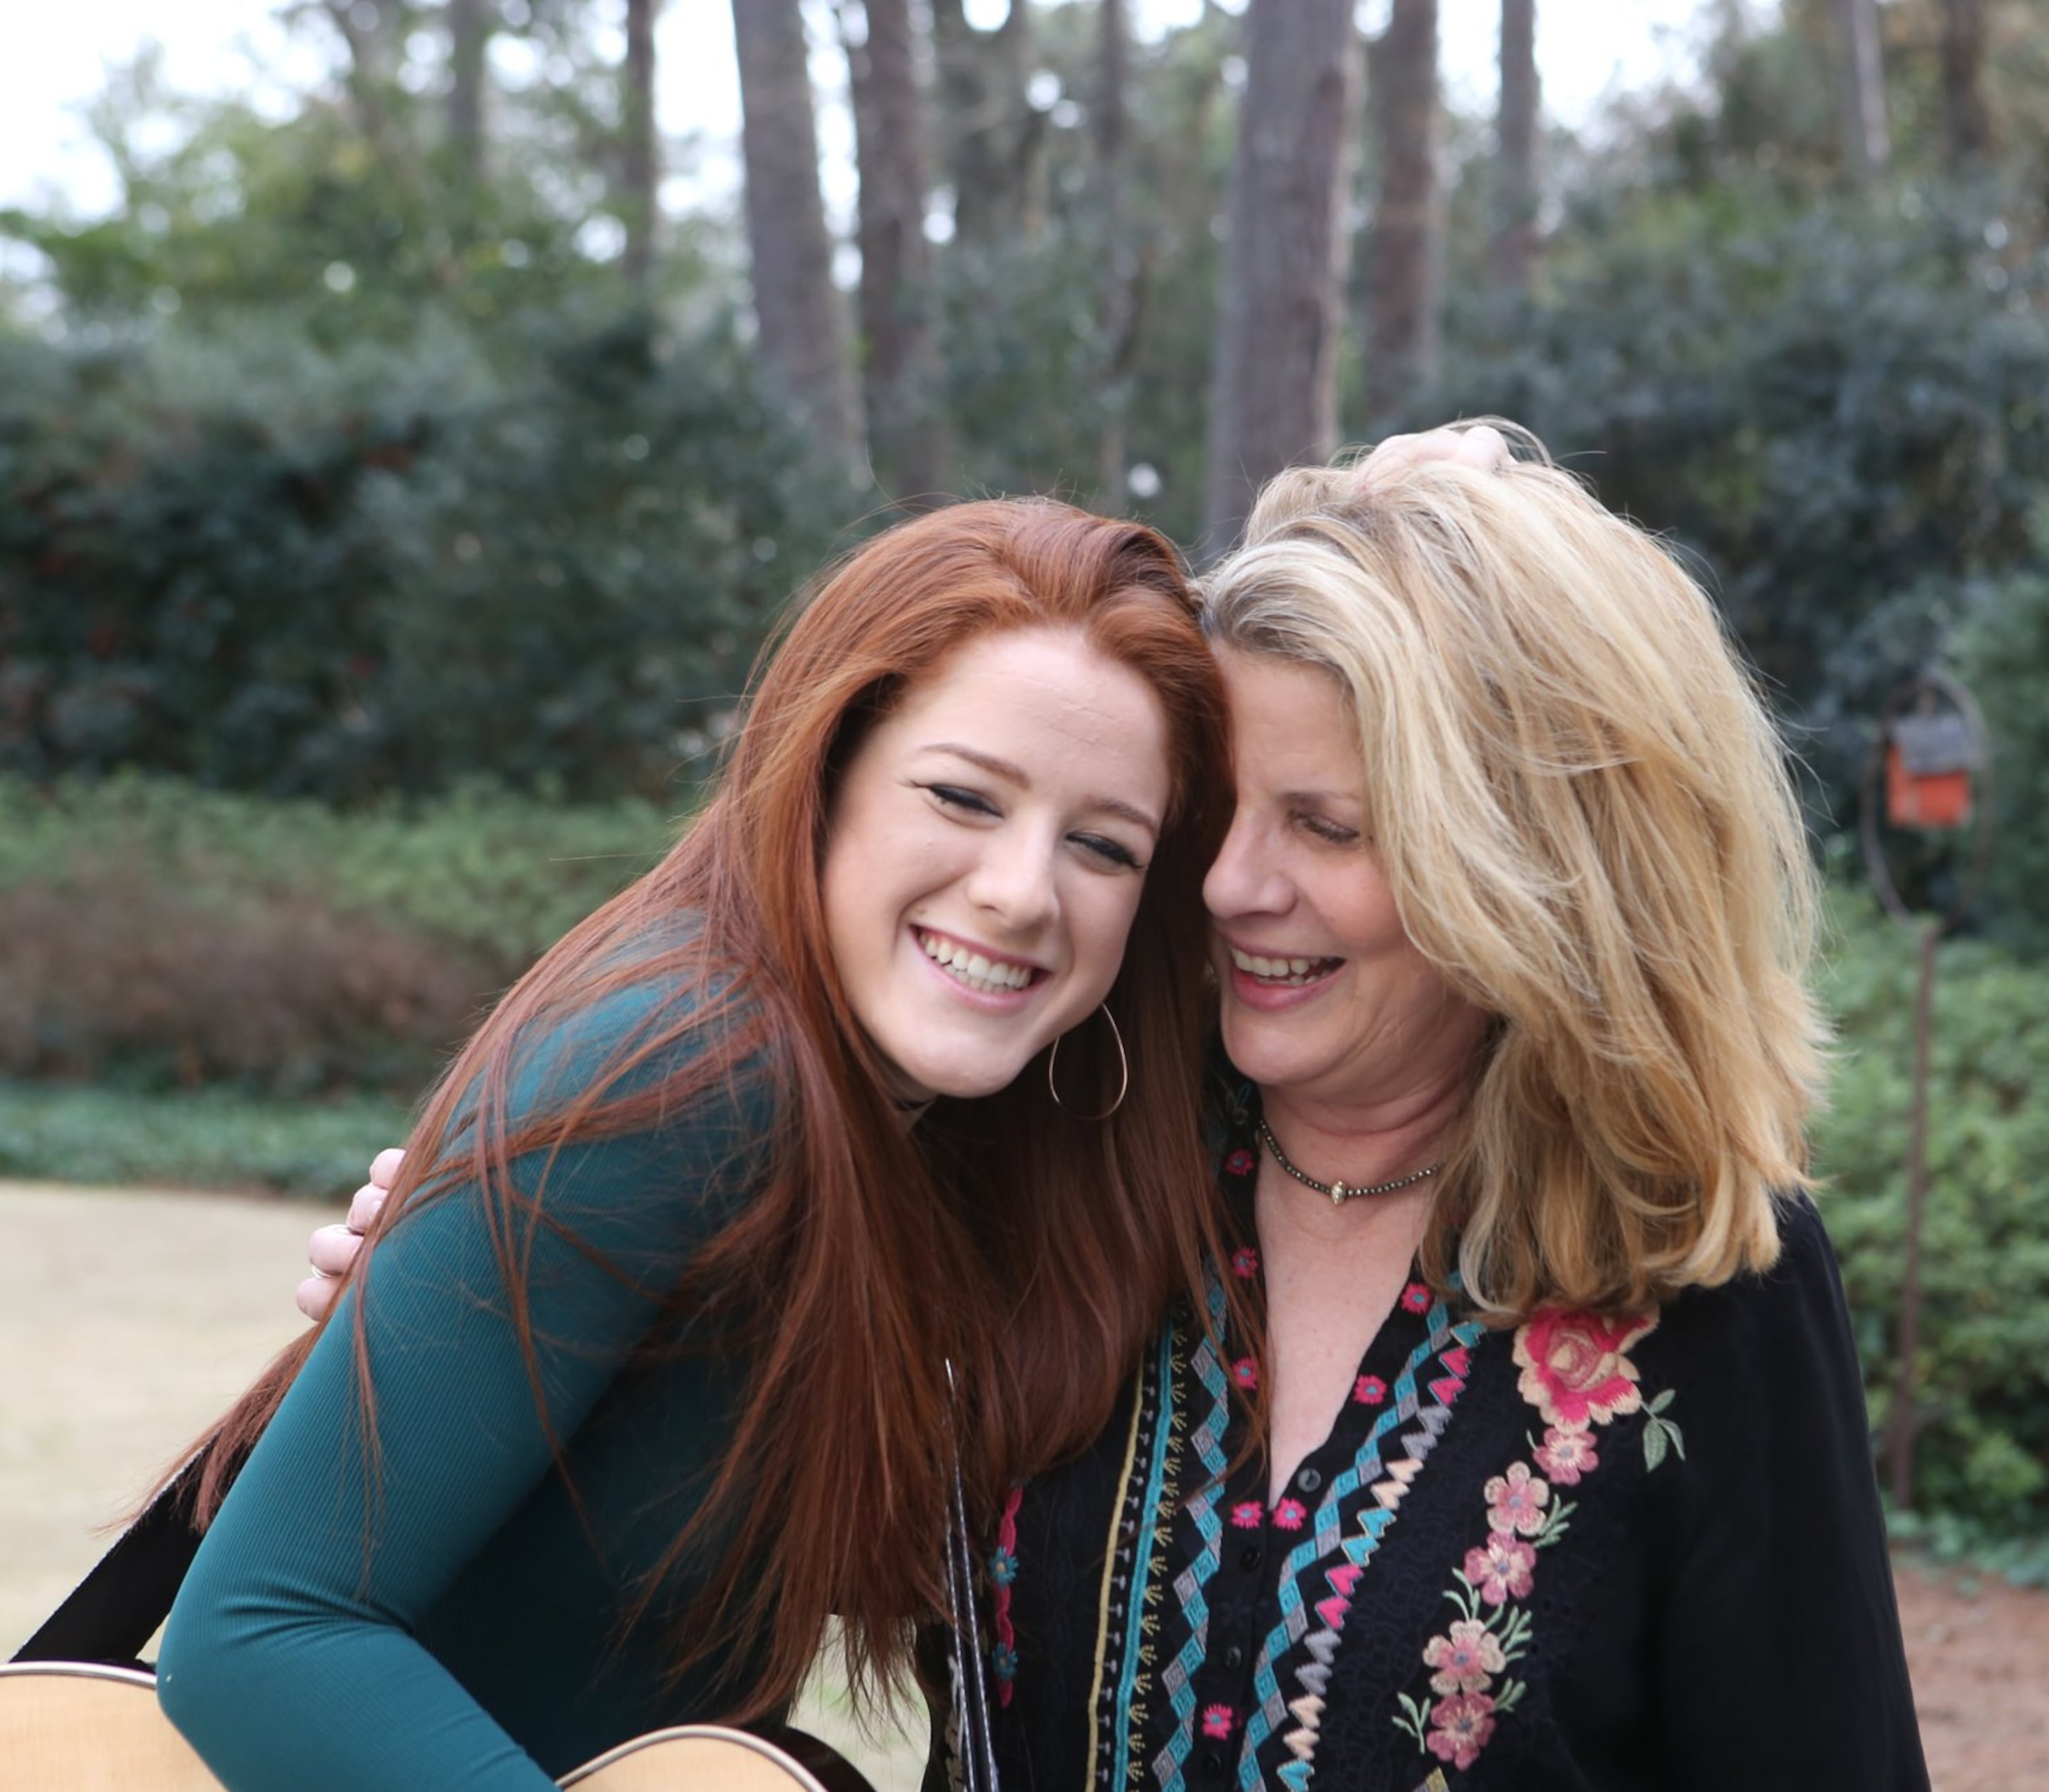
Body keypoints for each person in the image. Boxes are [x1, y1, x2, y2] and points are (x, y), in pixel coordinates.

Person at [310, 428, 1930, 1788]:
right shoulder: (1053, 1149)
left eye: (1330, 826)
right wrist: (481, 1285)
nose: (1230, 883)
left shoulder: (1705, 1281)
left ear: (1533, 876)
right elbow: (638, 1520)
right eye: (1221, 809)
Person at [152, 497, 1239, 1792]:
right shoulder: (692, 1073)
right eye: (962, 796)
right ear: (824, 772)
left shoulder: (916, 1133)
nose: (1021, 890)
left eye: (1102, 847)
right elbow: (260, 1639)